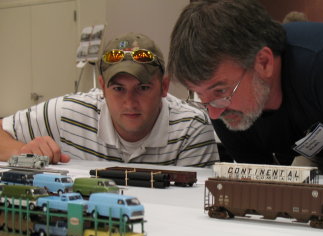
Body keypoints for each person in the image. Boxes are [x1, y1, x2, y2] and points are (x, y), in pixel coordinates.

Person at [167, 0, 323, 176]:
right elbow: (264, 188)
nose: (214, 113)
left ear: (264, 62)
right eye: (202, 97)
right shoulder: (225, 108)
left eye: (220, 92)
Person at [0, 32, 219, 167]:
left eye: (143, 88)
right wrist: (22, 151)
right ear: (102, 87)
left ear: (163, 87)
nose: (130, 102)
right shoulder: (67, 113)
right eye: (118, 88)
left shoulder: (191, 129)